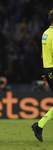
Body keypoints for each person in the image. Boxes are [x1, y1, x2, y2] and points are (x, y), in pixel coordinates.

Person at [32, 9, 53, 142]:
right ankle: (38, 125)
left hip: (48, 69)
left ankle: (39, 125)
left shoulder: (45, 33)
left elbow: (43, 55)